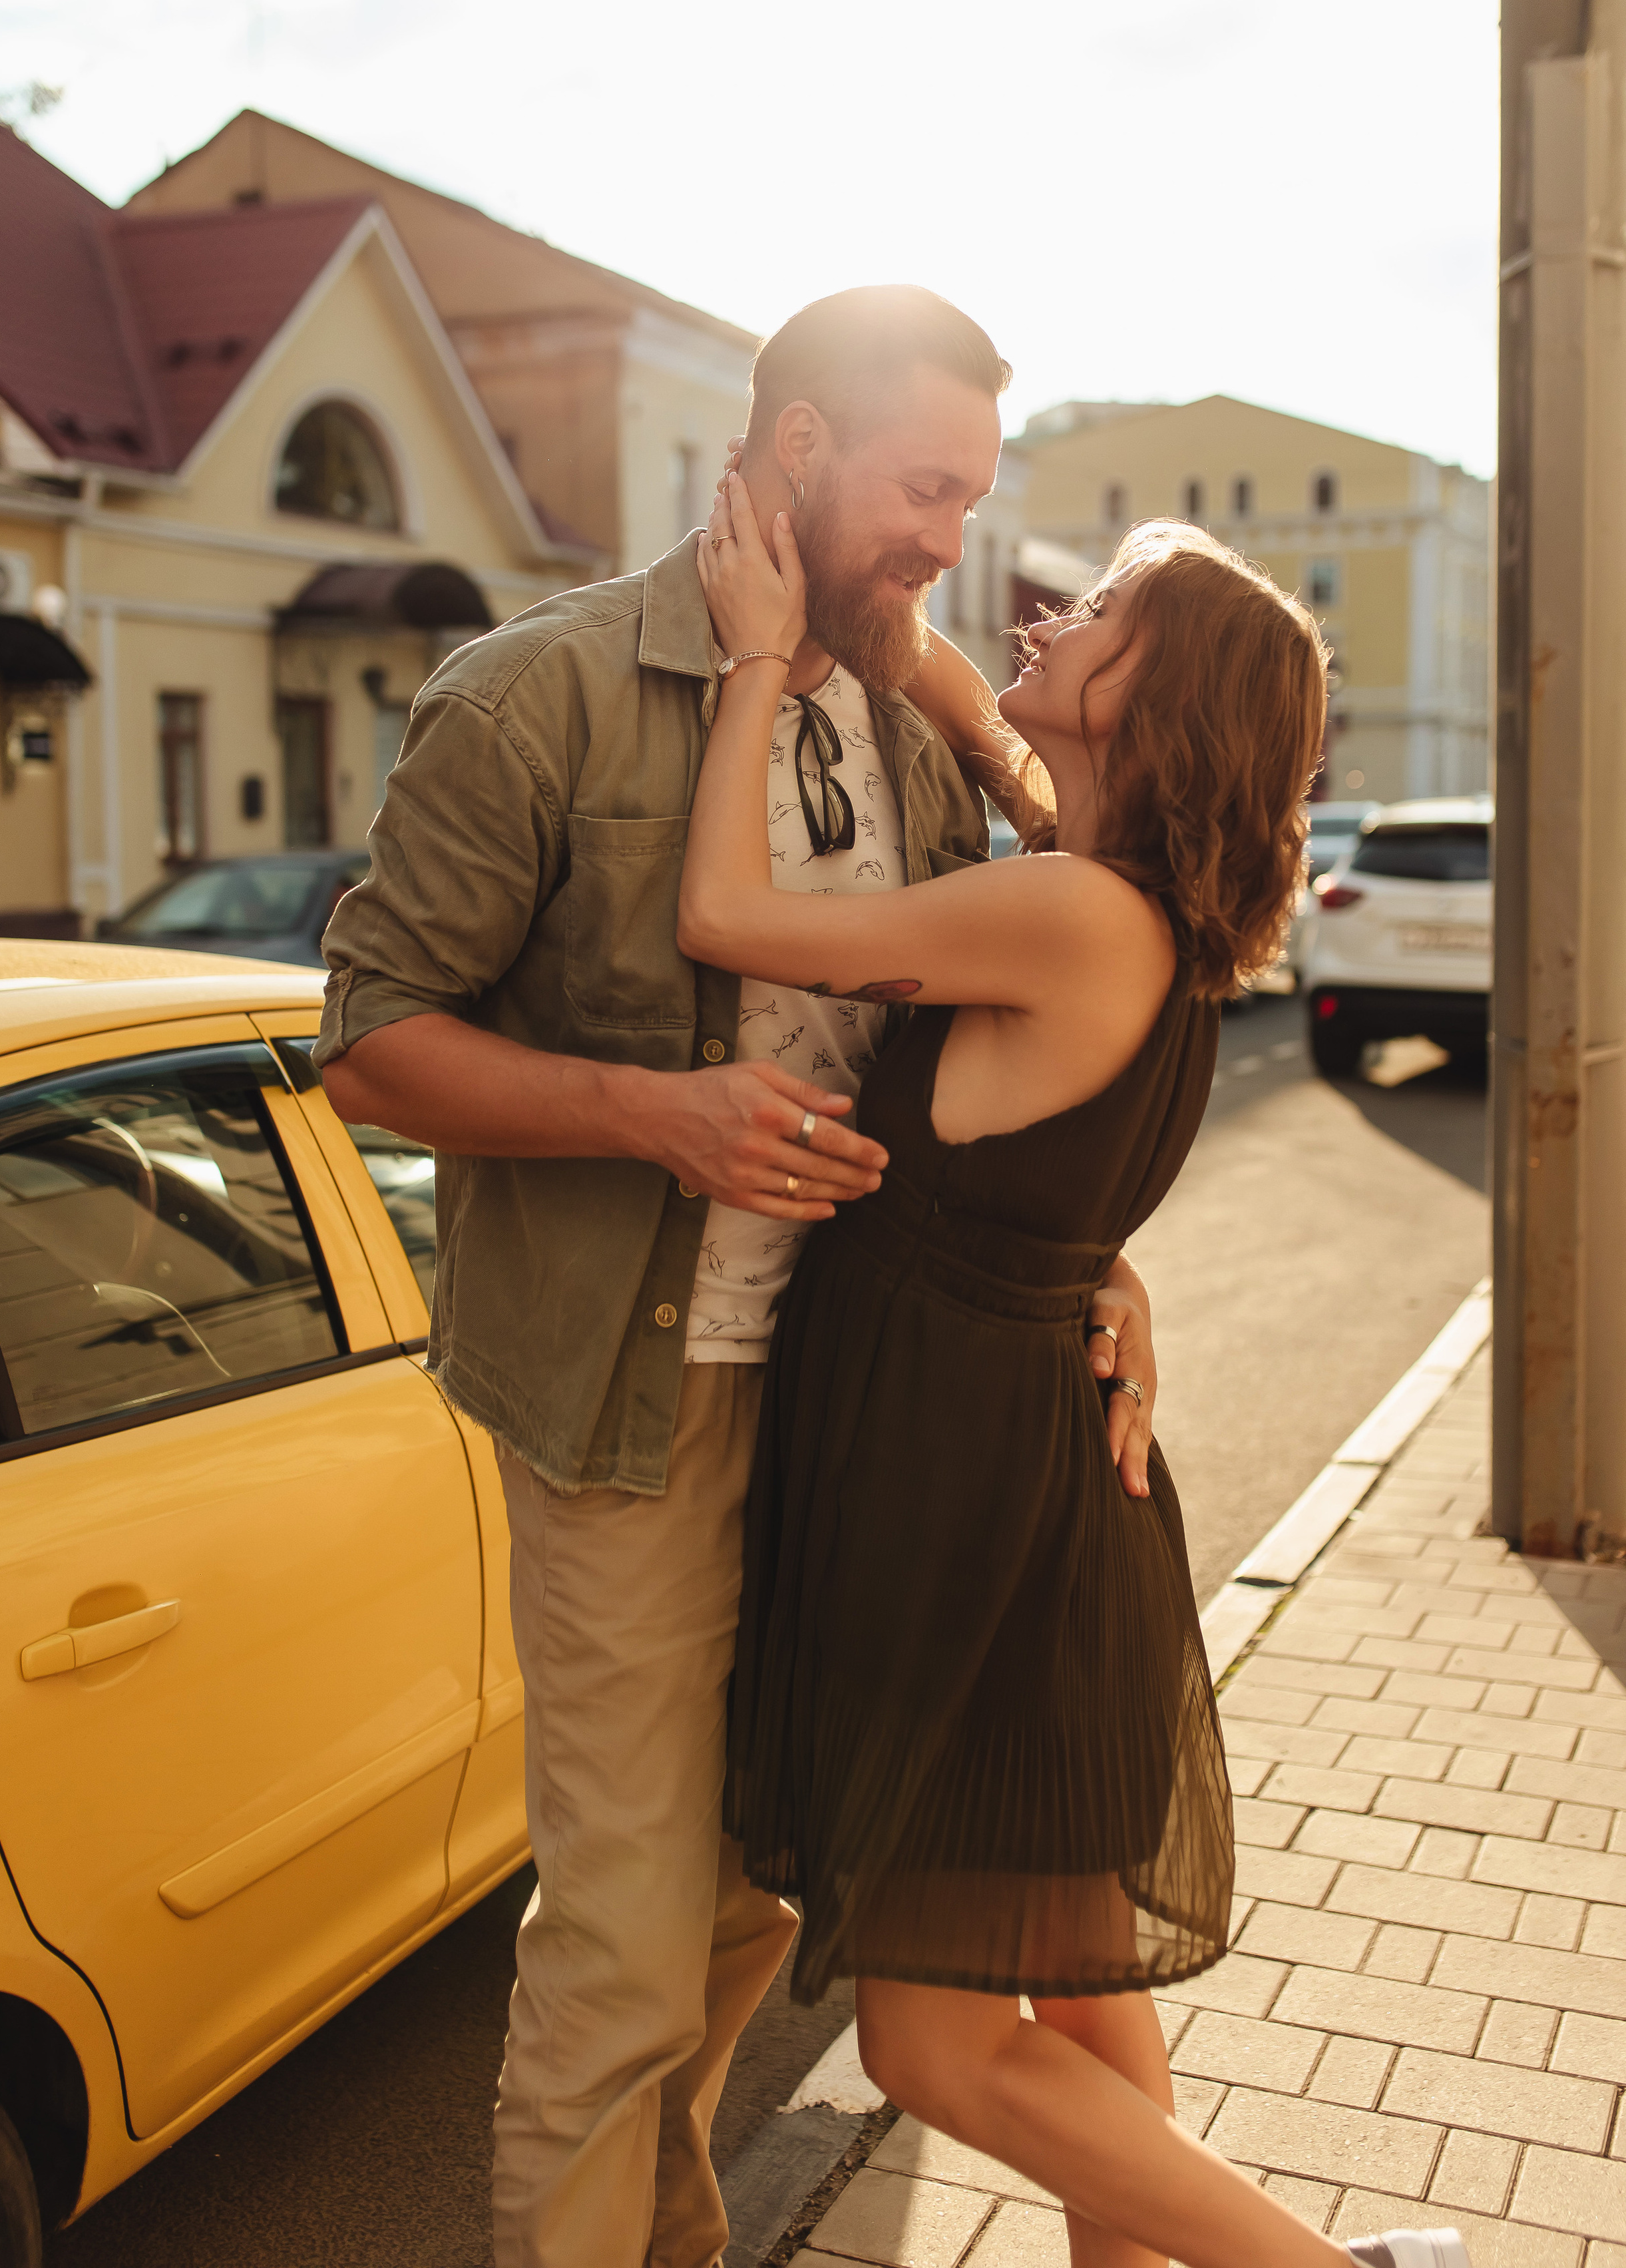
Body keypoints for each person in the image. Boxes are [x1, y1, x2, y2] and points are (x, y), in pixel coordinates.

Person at [314, 284, 1160, 2268]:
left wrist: (1100, 1267)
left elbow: (1033, 1033)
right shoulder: (536, 696)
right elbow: (364, 1041)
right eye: (924, 487)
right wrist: (652, 1113)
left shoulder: (914, 718)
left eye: (975, 494)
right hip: (640, 1402)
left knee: (745, 1915)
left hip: (861, 1414)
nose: (953, 538)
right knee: (619, 1953)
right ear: (794, 452)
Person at [676, 476, 1475, 2268]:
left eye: (1095, 614)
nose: (1045, 619)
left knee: (936, 2044)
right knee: (1085, 2000)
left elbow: (724, 911)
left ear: (1150, 697)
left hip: (964, 1513)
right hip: (1024, 1489)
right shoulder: (1146, 910)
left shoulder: (1062, 911)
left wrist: (747, 666)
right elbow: (998, 718)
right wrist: (957, 684)